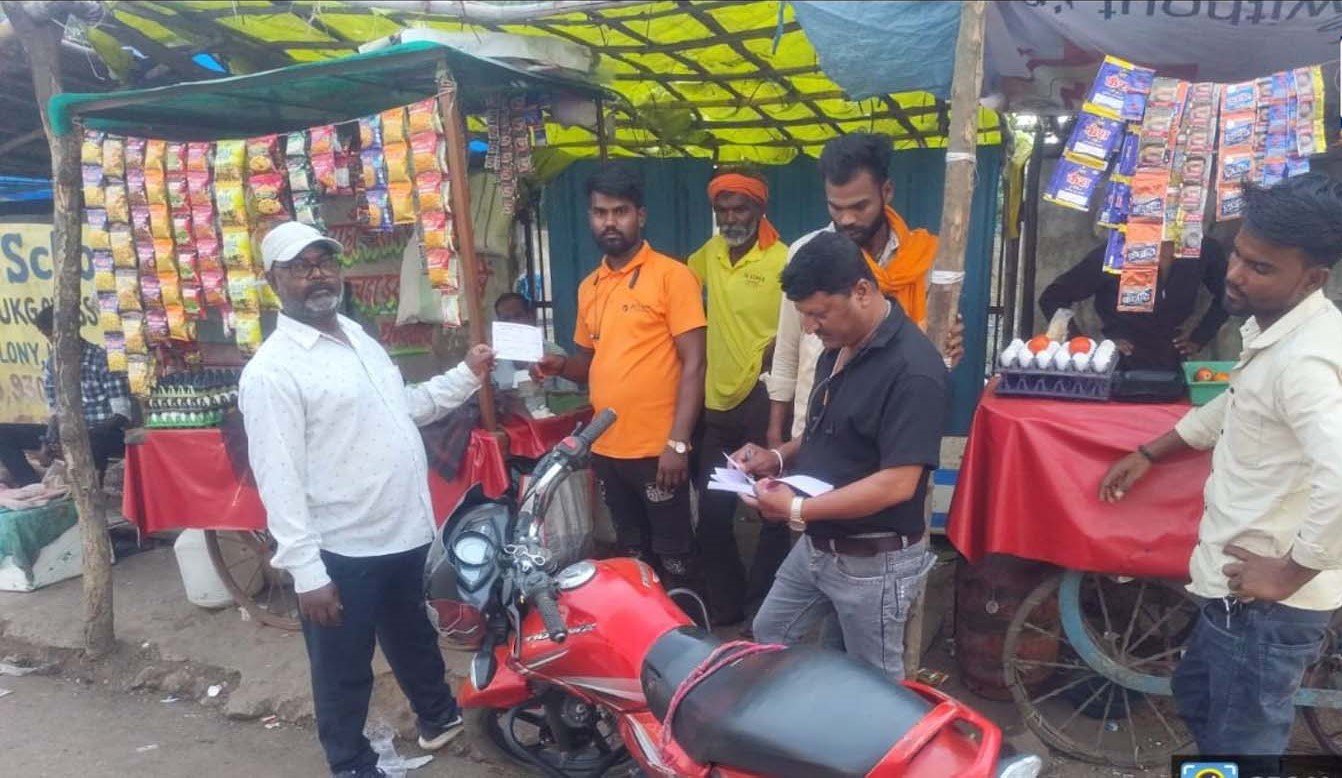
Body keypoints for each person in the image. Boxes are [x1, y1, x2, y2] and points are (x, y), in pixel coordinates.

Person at [239, 221, 494, 778]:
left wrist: (466, 376)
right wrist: (306, 572)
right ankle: (350, 761)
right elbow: (278, 477)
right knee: (343, 667)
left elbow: (406, 406)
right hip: (342, 547)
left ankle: (438, 718)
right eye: (300, 267)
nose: (317, 275)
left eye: (324, 263)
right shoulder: (272, 372)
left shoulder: (357, 336)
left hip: (403, 529)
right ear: (273, 281)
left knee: (414, 637)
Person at [1099, 174, 1342, 758]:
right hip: (1238, 594)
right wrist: (1150, 452)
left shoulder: (1306, 361)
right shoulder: (1276, 335)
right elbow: (1235, 406)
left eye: (1260, 268)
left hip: (1266, 605)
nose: (1235, 274)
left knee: (1240, 745)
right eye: (1238, 254)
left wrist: (1290, 573)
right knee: (1201, 703)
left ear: (1312, 279)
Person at [733, 232, 947, 681]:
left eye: (818, 314)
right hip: (818, 546)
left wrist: (795, 509)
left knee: (874, 684)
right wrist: (777, 458)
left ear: (862, 291)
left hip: (873, 561)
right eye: (803, 315)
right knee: (771, 632)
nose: (810, 327)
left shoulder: (914, 371)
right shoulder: (838, 349)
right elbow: (828, 434)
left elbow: (898, 483)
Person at [533, 162, 707, 592]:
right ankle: (644, 631)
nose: (609, 222)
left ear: (640, 215)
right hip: (606, 448)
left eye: (620, 211)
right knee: (632, 555)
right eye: (600, 212)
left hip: (658, 451)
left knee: (676, 556)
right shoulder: (590, 286)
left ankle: (686, 628)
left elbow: (695, 363)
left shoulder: (672, 276)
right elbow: (588, 362)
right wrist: (559, 366)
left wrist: (678, 443)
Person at [766, 132, 962, 448]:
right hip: (811, 434)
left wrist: (947, 347)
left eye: (860, 206)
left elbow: (933, 356)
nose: (847, 219)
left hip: (893, 434)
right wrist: (776, 434)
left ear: (887, 191)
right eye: (836, 207)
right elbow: (788, 349)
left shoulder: (926, 261)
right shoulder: (805, 253)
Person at [685, 167, 792, 628]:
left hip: (764, 402)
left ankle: (763, 611)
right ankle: (726, 604)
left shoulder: (783, 260)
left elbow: (801, 327)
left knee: (771, 512)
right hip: (717, 405)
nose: (730, 218)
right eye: (722, 210)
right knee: (713, 515)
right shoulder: (708, 255)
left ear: (760, 209)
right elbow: (675, 289)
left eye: (740, 209)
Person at [1039, 237, 1230, 370]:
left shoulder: (1202, 249)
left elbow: (1228, 294)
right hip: (1118, 365)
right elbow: (1052, 298)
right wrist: (1083, 346)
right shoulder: (1116, 253)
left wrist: (1200, 336)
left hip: (1170, 363)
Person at [0, 305, 131, 487]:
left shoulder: (102, 360)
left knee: (93, 441)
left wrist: (78, 436)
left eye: (55, 335)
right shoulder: (52, 363)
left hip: (104, 433)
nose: (53, 341)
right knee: (3, 433)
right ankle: (32, 486)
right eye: (48, 336)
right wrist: (49, 440)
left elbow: (122, 415)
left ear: (74, 329)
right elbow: (56, 412)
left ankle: (91, 492)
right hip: (69, 432)